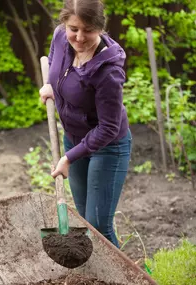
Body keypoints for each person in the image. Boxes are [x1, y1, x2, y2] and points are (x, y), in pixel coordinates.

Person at [39, 0, 132, 248]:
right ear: (65, 25)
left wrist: (69, 158)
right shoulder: (61, 36)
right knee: (87, 222)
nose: (79, 37)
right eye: (74, 28)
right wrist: (52, 84)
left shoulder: (108, 72)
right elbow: (53, 58)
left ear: (100, 28)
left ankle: (133, 276)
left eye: (88, 30)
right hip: (75, 139)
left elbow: (109, 128)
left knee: (99, 226)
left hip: (108, 146)